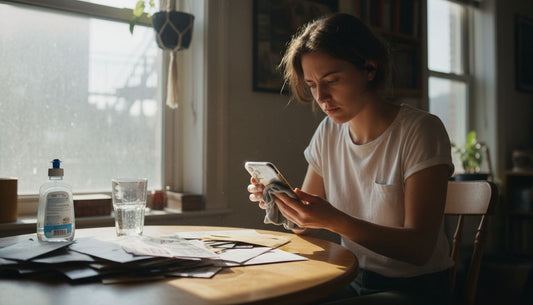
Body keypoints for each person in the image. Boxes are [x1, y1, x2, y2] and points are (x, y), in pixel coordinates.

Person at [247, 13, 454, 305]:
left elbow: (419, 249)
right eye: (312, 85)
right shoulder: (328, 132)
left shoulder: (420, 130)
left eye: (332, 80)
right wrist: (282, 202)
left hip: (416, 289)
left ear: (369, 68)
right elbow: (307, 223)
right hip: (351, 277)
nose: (322, 96)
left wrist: (336, 220)